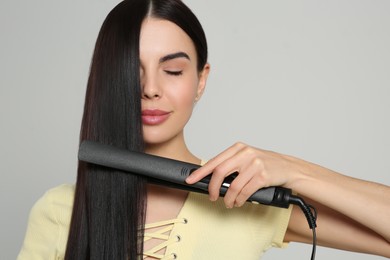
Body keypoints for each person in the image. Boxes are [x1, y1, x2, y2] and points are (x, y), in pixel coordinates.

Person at [17, 0, 390, 259]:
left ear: (200, 80)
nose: (150, 88)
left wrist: (294, 170)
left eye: (174, 70)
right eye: (133, 71)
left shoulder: (245, 199)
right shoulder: (58, 211)